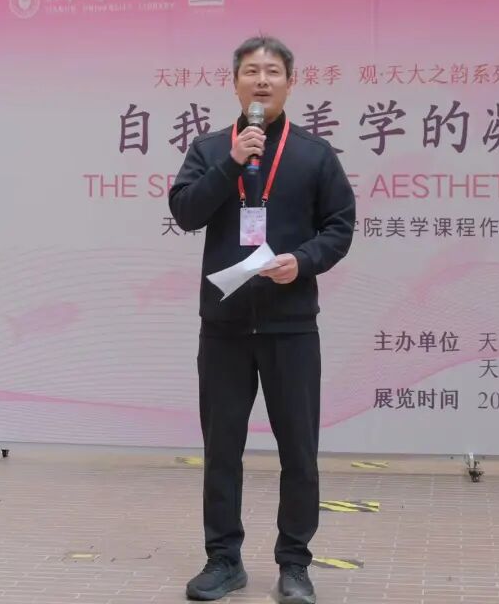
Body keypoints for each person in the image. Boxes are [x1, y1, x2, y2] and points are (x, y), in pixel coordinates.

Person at [168, 36, 356, 604]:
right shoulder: (210, 148)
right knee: (222, 450)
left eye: (273, 72)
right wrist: (230, 163)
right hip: (224, 326)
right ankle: (223, 560)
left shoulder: (314, 154)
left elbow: (340, 226)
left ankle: (294, 564)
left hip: (290, 326)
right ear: (235, 84)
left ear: (291, 83)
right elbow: (185, 212)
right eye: (251, 71)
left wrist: (303, 261)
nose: (262, 81)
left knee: (298, 451)